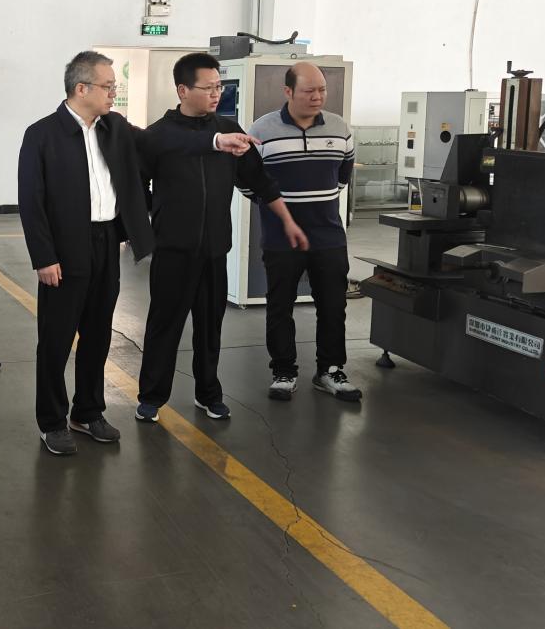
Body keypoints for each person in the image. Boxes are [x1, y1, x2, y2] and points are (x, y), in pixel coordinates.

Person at [18, 50, 236, 455]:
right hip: (64, 249)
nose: (112, 93)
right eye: (108, 86)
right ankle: (52, 421)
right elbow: (31, 201)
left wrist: (215, 140)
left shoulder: (114, 126)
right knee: (56, 339)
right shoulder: (42, 134)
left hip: (106, 241)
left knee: (98, 333)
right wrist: (44, 257)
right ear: (81, 89)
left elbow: (162, 140)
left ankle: (87, 412)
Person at [136, 53, 308, 424]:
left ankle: (208, 394)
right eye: (208, 87)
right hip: (173, 252)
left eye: (220, 86)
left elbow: (259, 181)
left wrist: (288, 221)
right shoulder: (158, 135)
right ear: (183, 90)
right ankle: (151, 396)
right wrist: (158, 220)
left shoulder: (230, 130)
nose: (217, 94)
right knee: (164, 326)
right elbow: (137, 185)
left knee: (210, 328)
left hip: (215, 251)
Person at [249, 61, 362, 402]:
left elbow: (342, 177)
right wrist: (281, 212)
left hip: (328, 236)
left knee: (333, 305)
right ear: (288, 91)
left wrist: (315, 203)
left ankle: (330, 370)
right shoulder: (263, 130)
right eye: (309, 91)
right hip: (281, 238)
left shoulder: (340, 128)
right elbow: (248, 182)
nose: (317, 97)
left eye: (322, 90)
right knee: (279, 305)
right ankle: (283, 371)